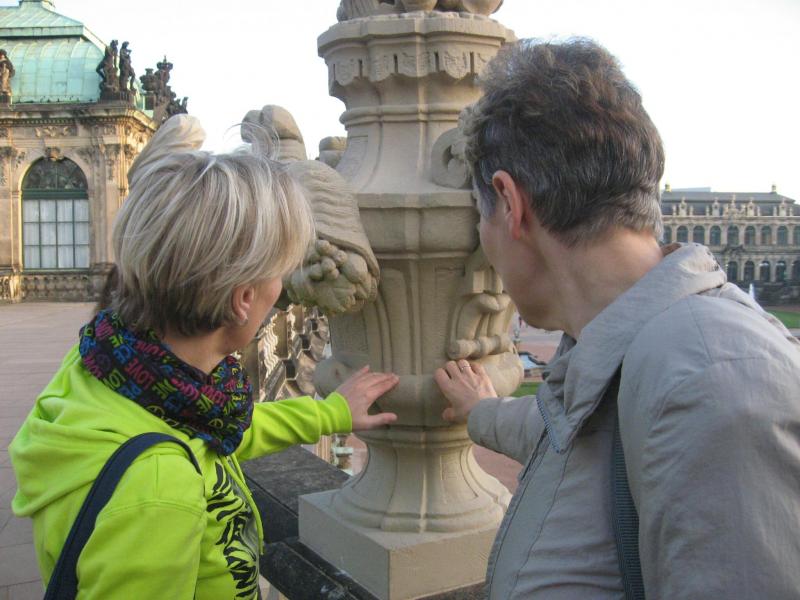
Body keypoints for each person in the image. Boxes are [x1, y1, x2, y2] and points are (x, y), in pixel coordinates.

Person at [434, 39, 800, 598]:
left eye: (479, 216)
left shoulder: (713, 376)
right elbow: (569, 431)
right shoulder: (624, 343)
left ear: (509, 203)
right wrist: (481, 410)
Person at [9, 114, 399, 599]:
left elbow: (207, 432)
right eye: (279, 271)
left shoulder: (110, 363)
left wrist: (329, 414)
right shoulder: (157, 492)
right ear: (243, 299)